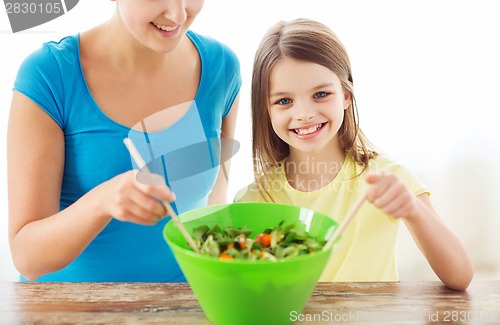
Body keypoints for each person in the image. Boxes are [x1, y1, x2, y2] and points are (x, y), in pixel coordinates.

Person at [7, 0, 241, 282]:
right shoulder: (50, 74)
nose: (178, 14)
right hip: (68, 308)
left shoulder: (221, 68)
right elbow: (28, 258)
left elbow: (214, 206)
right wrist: (103, 201)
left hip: (187, 303)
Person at [235, 18, 473, 291]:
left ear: (346, 96)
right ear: (265, 109)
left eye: (321, 94)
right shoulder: (255, 199)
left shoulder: (388, 179)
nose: (303, 114)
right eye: (284, 101)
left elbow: (460, 276)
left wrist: (413, 209)